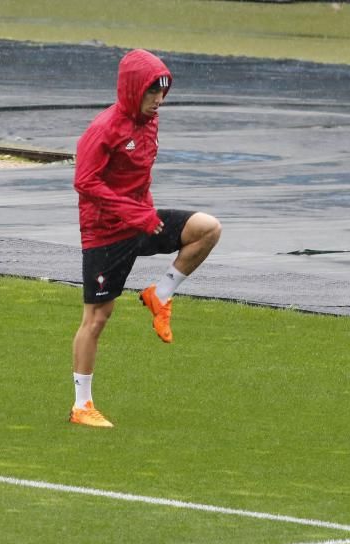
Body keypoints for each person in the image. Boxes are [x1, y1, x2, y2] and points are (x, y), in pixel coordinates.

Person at [69, 48, 221, 428]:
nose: (158, 101)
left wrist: (144, 212)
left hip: (142, 220)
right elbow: (85, 183)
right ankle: (81, 406)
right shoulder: (103, 129)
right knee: (97, 317)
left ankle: (161, 294)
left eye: (163, 93)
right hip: (106, 231)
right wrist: (136, 214)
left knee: (208, 229)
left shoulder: (150, 122)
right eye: (152, 93)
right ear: (133, 89)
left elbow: (139, 175)